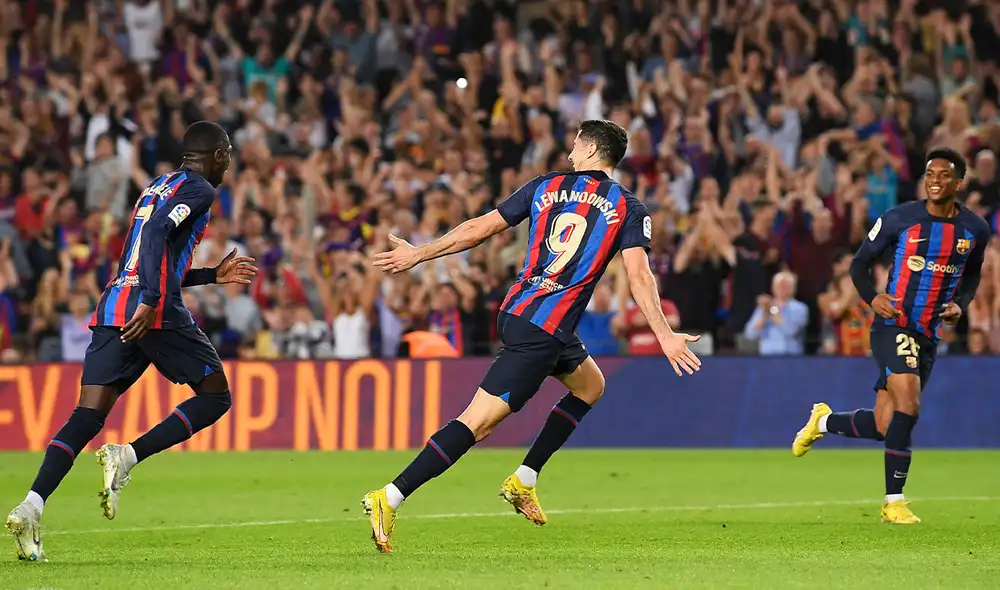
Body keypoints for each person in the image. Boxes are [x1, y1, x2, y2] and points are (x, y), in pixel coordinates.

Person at [361, 120, 702, 553]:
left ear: (592, 149)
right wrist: (665, 334)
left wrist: (420, 253)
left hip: (525, 314)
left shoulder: (546, 186)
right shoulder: (629, 207)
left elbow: (480, 228)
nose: (571, 148)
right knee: (477, 424)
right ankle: (390, 496)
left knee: (591, 385)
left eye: (577, 141)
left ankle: (525, 478)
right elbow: (639, 276)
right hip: (543, 328)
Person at [5, 122, 258, 562]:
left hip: (114, 305)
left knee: (86, 416)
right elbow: (159, 236)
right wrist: (155, 300)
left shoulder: (157, 185)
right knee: (216, 396)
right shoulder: (200, 189)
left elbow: (147, 251)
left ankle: (31, 506)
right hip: (153, 311)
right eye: (229, 153)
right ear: (217, 154)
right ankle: (127, 456)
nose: (230, 161)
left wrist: (209, 276)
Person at [792, 148, 990, 524]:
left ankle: (823, 422)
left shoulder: (974, 229)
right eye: (930, 173)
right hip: (893, 323)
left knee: (886, 424)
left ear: (959, 183)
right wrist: (873, 297)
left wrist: (960, 303)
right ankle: (893, 502)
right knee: (910, 404)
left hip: (929, 333)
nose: (935, 180)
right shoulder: (899, 218)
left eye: (944, 175)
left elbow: (973, 273)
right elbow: (859, 264)